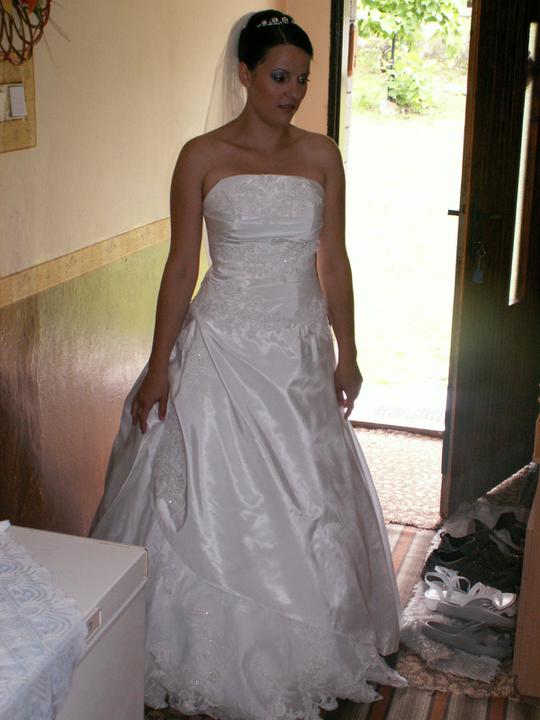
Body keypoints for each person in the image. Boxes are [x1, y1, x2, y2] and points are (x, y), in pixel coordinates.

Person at [91, 9, 405, 719]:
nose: (293, 92)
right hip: (220, 350)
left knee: (309, 498)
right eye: (280, 77)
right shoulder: (200, 156)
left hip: (298, 354)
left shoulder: (322, 155)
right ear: (244, 73)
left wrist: (348, 351)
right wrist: (159, 365)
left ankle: (312, 639)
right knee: (205, 498)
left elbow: (333, 260)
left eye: (302, 80)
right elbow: (181, 266)